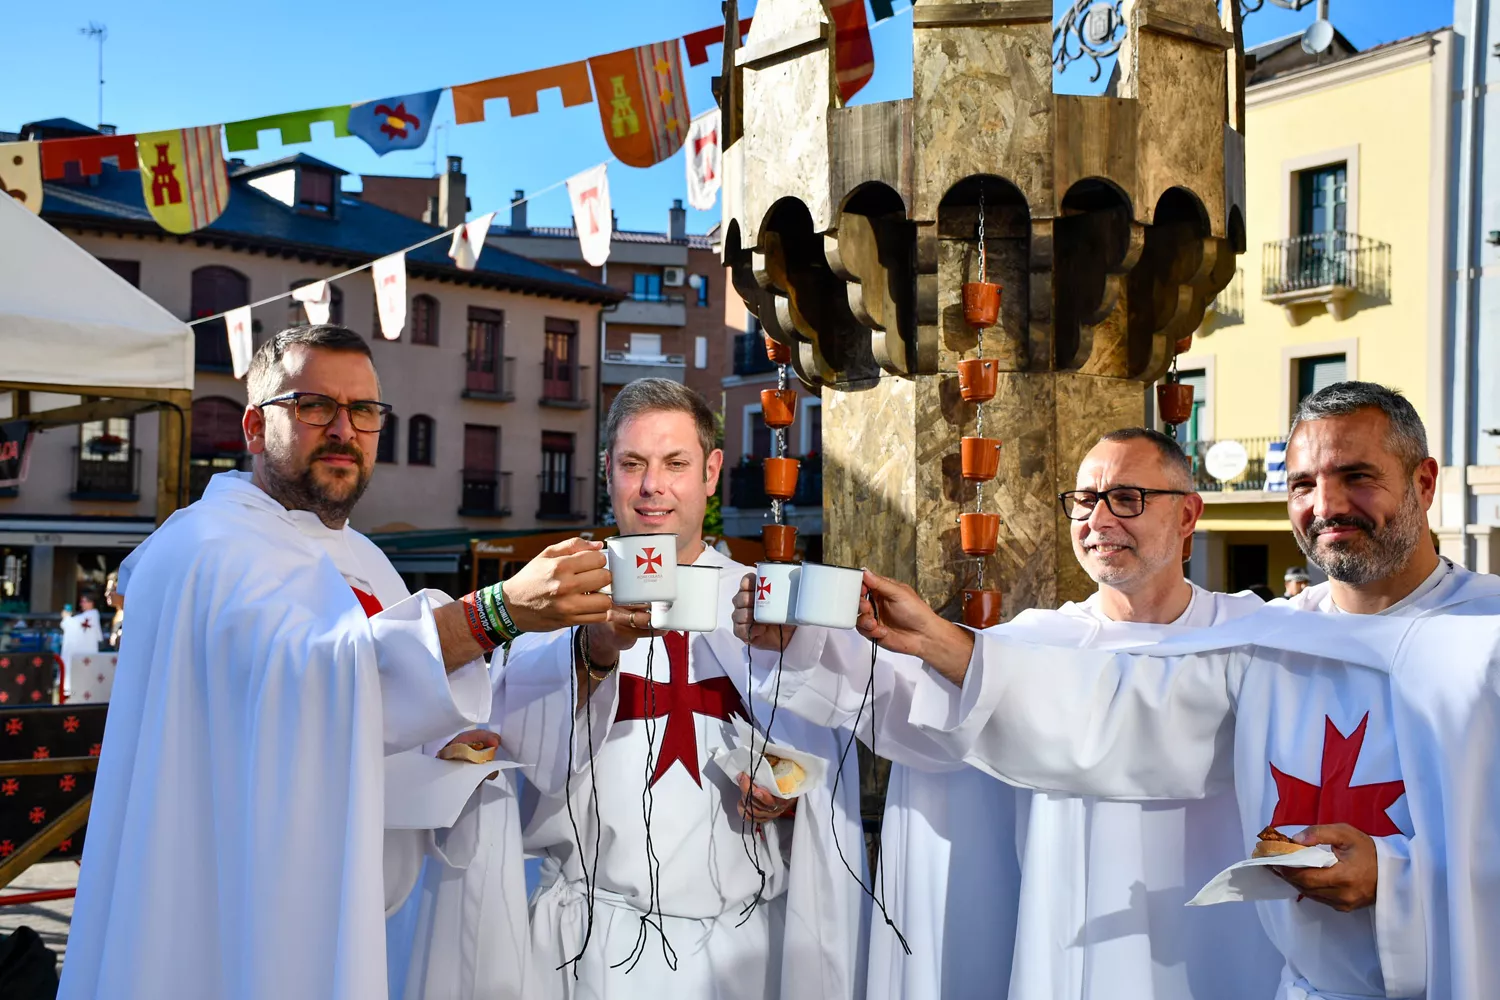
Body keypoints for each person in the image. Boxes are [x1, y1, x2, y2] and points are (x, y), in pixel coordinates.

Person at [855, 382, 1500, 999]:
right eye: (1303, 484)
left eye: (1356, 476)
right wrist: (944, 644)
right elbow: (1125, 715)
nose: (1326, 506)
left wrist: (1400, 882)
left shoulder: (1488, 638)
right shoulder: (1272, 640)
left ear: (1423, 482)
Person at [58, 325, 612, 1000]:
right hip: (227, 907)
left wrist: (449, 735)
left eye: (364, 412)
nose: (344, 430)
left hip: (357, 902)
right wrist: (495, 611)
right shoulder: (205, 549)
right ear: (257, 428)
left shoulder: (365, 556)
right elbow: (305, 685)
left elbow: (378, 701)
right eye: (316, 406)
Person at [732, 429, 1281, 1000]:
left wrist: (945, 644)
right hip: (1068, 938)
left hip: (1210, 941)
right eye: (1085, 501)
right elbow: (920, 720)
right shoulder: (1036, 642)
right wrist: (801, 642)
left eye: (1126, 498)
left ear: (1188, 514)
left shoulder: (1255, 642)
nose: (1098, 520)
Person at [450, 378, 866, 1000]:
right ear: (608, 473)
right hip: (591, 950)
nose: (652, 486)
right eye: (632, 464)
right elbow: (520, 761)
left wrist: (789, 800)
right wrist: (590, 655)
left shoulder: (770, 608)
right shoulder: (557, 599)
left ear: (712, 472)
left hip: (743, 950)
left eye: (675, 463)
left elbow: (829, 754)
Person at [103, 571, 124, 648]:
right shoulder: (118, 615)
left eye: (111, 590)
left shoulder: (135, 616)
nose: (106, 594)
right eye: (107, 590)